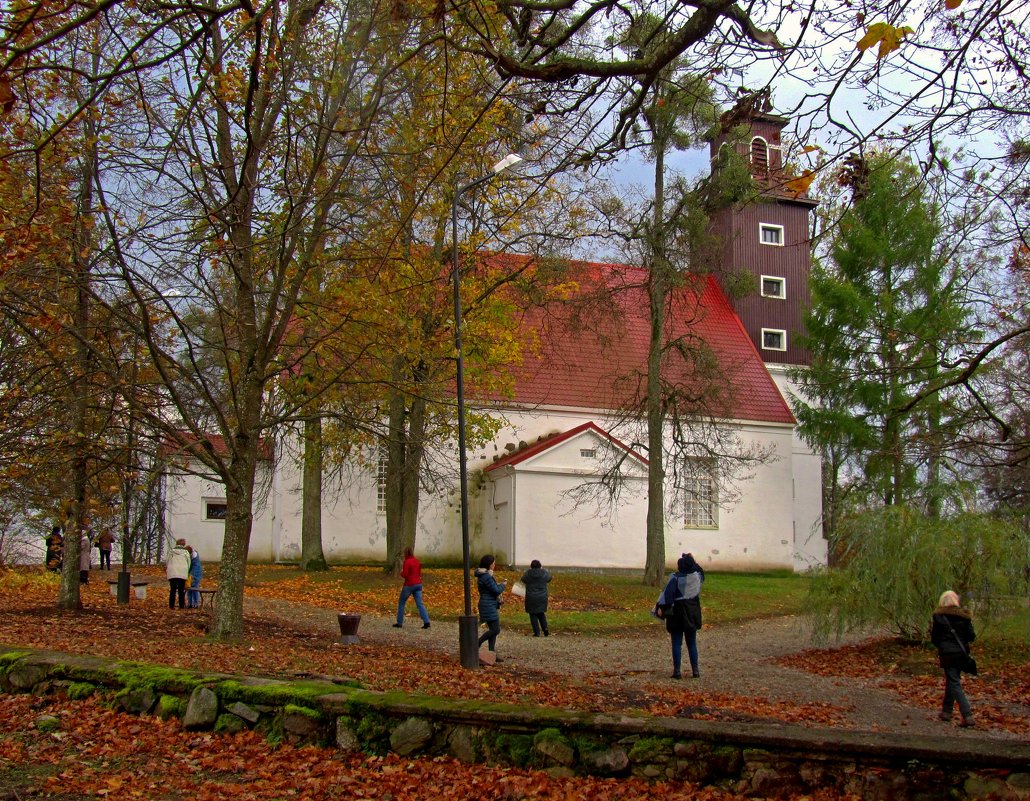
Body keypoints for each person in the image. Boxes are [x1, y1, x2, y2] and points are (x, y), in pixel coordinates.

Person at [930, 590, 976, 728]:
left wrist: (942, 646)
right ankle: (946, 711)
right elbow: (971, 636)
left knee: (954, 682)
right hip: (961, 653)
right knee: (953, 679)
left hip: (947, 653)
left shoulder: (938, 616)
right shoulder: (964, 617)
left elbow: (935, 638)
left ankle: (967, 714)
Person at [655, 553, 704, 679]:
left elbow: (668, 597)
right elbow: (700, 570)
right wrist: (692, 560)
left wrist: (661, 608)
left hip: (677, 613)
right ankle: (695, 670)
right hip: (692, 613)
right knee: (692, 643)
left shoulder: (675, 578)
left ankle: (677, 671)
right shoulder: (696, 578)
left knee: (677, 643)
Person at [475, 554, 507, 661]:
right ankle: (477, 643)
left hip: (488, 604)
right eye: (493, 563)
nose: (494, 565)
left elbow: (492, 589)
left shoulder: (485, 575)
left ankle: (491, 654)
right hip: (487, 605)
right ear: (489, 564)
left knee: (493, 629)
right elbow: (496, 590)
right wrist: (503, 585)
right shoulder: (486, 577)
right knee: (496, 630)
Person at [392, 546, 431, 629]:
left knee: (402, 602)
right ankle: (426, 621)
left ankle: (399, 622)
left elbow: (405, 574)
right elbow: (419, 573)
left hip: (409, 585)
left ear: (405, 553)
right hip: (418, 584)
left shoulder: (407, 562)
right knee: (420, 604)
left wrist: (401, 573)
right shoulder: (417, 561)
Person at [520, 559, 552, 637]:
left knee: (533, 614)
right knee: (541, 613)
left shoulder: (528, 573)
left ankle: (537, 632)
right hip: (542, 597)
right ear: (540, 565)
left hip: (531, 597)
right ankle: (545, 629)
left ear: (531, 566)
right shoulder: (544, 572)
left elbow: (523, 579)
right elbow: (549, 578)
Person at [165, 538, 191, 609]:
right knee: (181, 590)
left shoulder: (171, 551)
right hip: (182, 572)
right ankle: (181, 606)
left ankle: (171, 606)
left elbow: (167, 562)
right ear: (183, 544)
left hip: (172, 572)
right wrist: (187, 571)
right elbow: (189, 563)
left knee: (173, 590)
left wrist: (167, 569)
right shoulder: (186, 552)